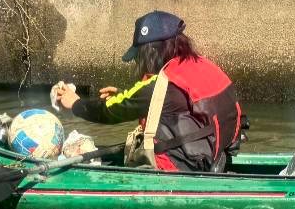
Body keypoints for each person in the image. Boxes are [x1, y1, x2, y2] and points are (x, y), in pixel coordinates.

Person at [54, 11, 245, 172]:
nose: (140, 63)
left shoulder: (161, 84)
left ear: (152, 52)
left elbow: (110, 111)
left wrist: (76, 104)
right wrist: (128, 95)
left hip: (178, 168)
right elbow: (179, 106)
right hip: (214, 159)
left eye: (139, 57)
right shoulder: (202, 66)